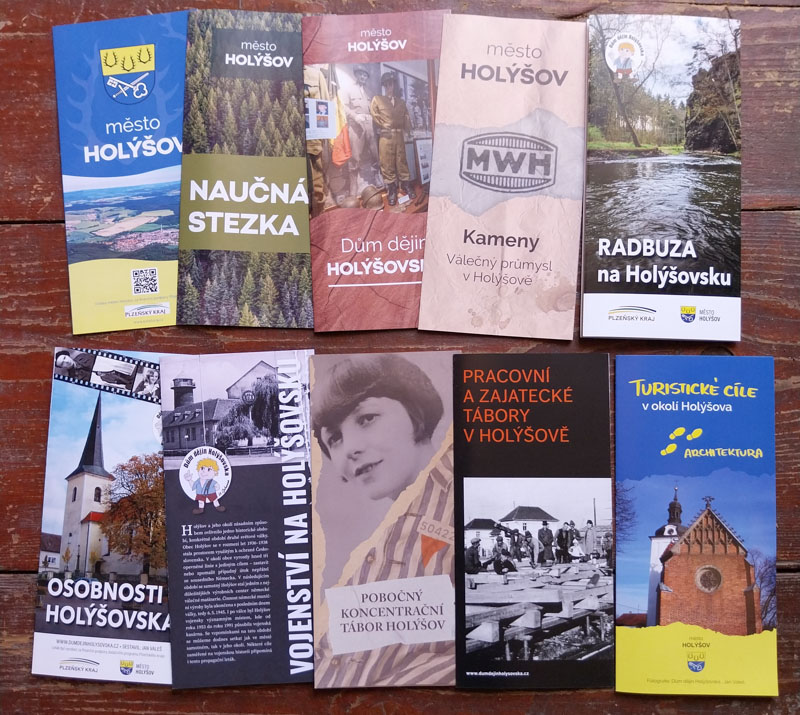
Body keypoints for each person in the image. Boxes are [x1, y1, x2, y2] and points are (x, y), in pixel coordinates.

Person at [311, 354, 454, 687]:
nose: (350, 449)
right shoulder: (388, 532)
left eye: (367, 418)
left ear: (415, 411)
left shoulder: (463, 499)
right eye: (335, 439)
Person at [370, 72, 416, 206]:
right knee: (387, 163)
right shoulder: (377, 99)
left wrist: (409, 131)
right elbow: (374, 113)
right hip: (386, 136)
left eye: (392, 84)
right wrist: (383, 124)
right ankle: (392, 190)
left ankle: (406, 185)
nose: (390, 86)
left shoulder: (401, 102)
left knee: (402, 161)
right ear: (384, 85)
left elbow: (406, 117)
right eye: (387, 84)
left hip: (399, 136)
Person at [340, 64, 380, 197]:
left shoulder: (369, 91)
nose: (363, 77)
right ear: (356, 75)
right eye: (361, 74)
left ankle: (376, 176)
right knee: (354, 156)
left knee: (374, 153)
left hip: (369, 125)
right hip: (356, 126)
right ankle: (353, 184)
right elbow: (344, 107)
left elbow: (373, 108)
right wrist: (355, 116)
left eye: (365, 75)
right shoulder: (348, 89)